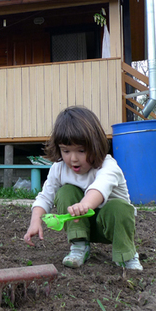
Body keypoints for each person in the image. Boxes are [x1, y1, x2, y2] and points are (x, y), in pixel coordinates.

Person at [23, 106, 142, 270]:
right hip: (79, 224)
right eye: (66, 151)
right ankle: (79, 246)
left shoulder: (108, 166)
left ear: (95, 145)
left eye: (81, 150)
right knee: (66, 191)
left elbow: (99, 188)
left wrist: (84, 205)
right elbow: (45, 196)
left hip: (112, 228)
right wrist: (35, 221)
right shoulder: (59, 168)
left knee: (119, 207)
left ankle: (126, 256)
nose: (73, 159)